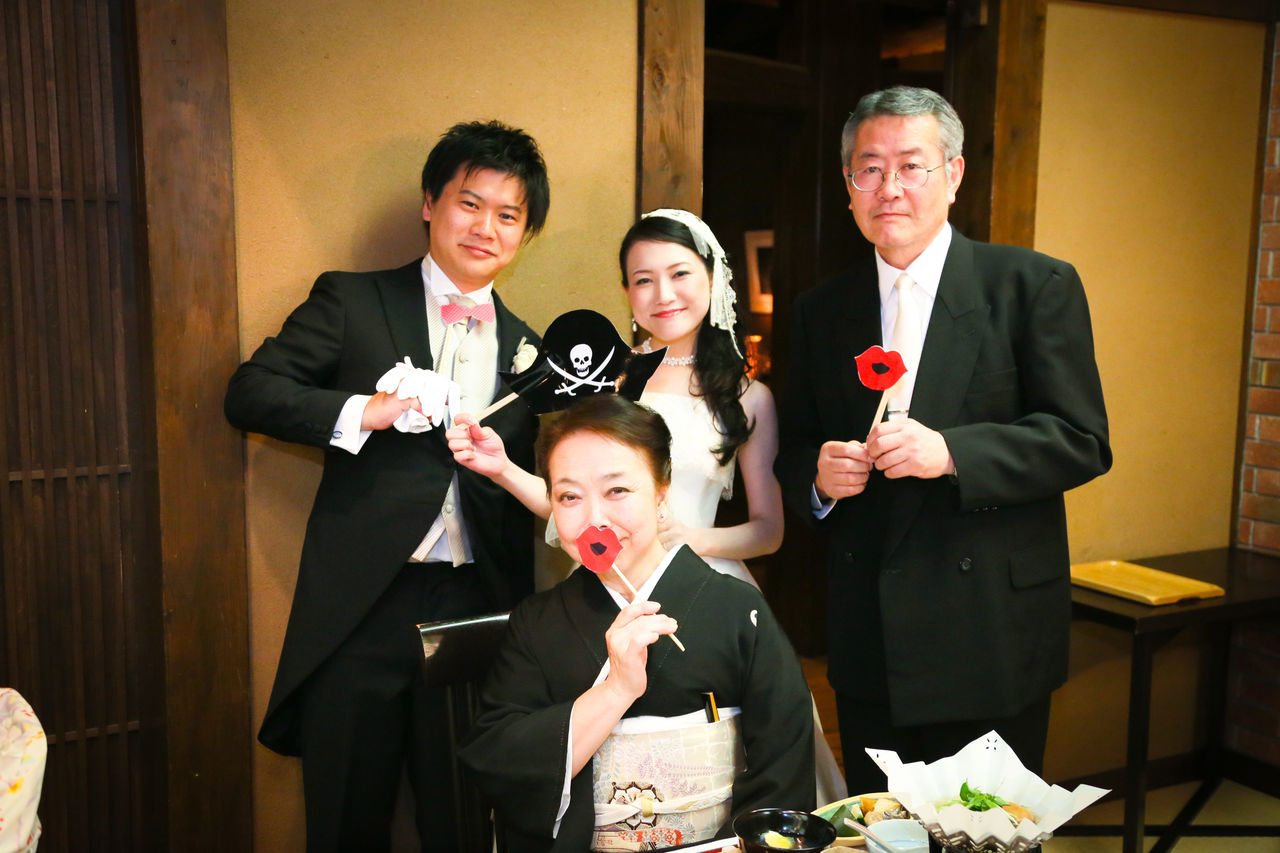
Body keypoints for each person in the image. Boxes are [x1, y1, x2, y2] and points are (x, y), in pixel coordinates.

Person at [224, 120, 549, 852]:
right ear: (431, 203)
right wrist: (366, 410)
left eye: (509, 215)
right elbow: (249, 391)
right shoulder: (353, 300)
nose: (486, 228)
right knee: (346, 818)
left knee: (465, 823)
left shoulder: (533, 351)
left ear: (525, 234)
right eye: (470, 203)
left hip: (475, 609)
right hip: (362, 604)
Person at [774, 86, 1111, 793]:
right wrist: (817, 478)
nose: (889, 188)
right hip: (870, 635)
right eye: (869, 169)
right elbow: (795, 444)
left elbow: (1080, 438)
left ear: (953, 174)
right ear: (848, 185)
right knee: (880, 830)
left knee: (986, 831)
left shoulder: (1031, 285)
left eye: (911, 166)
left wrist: (954, 453)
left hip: (989, 631)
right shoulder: (819, 310)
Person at [448, 208, 846, 803]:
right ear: (626, 292)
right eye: (643, 280)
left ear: (711, 279)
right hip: (602, 583)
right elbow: (572, 505)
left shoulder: (749, 397)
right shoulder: (602, 382)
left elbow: (768, 531)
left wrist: (686, 538)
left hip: (703, 582)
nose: (663, 294)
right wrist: (503, 469)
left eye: (679, 274)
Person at [459, 394, 815, 852]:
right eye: (569, 496)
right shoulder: (537, 623)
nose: (594, 520)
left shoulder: (737, 611)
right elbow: (498, 759)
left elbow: (783, 767)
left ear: (662, 491)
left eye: (617, 491)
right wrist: (615, 691)